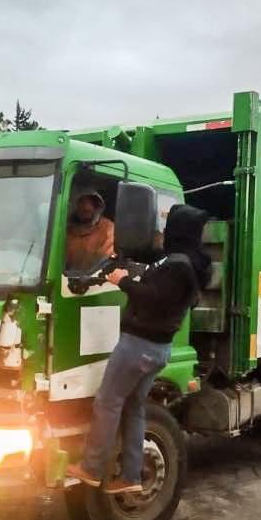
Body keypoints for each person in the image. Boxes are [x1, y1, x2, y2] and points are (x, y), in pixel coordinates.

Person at [67, 204, 210, 494]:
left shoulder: (179, 265)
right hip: (156, 349)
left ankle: (92, 468)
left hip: (138, 346)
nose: (163, 232)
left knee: (108, 402)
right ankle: (131, 476)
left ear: (178, 230)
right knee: (134, 407)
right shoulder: (189, 263)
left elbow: (154, 298)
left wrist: (124, 282)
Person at [65, 189, 114, 271]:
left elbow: (108, 257)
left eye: (90, 203)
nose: (86, 207)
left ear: (97, 207)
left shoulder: (108, 228)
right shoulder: (68, 230)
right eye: (82, 202)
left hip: (95, 279)